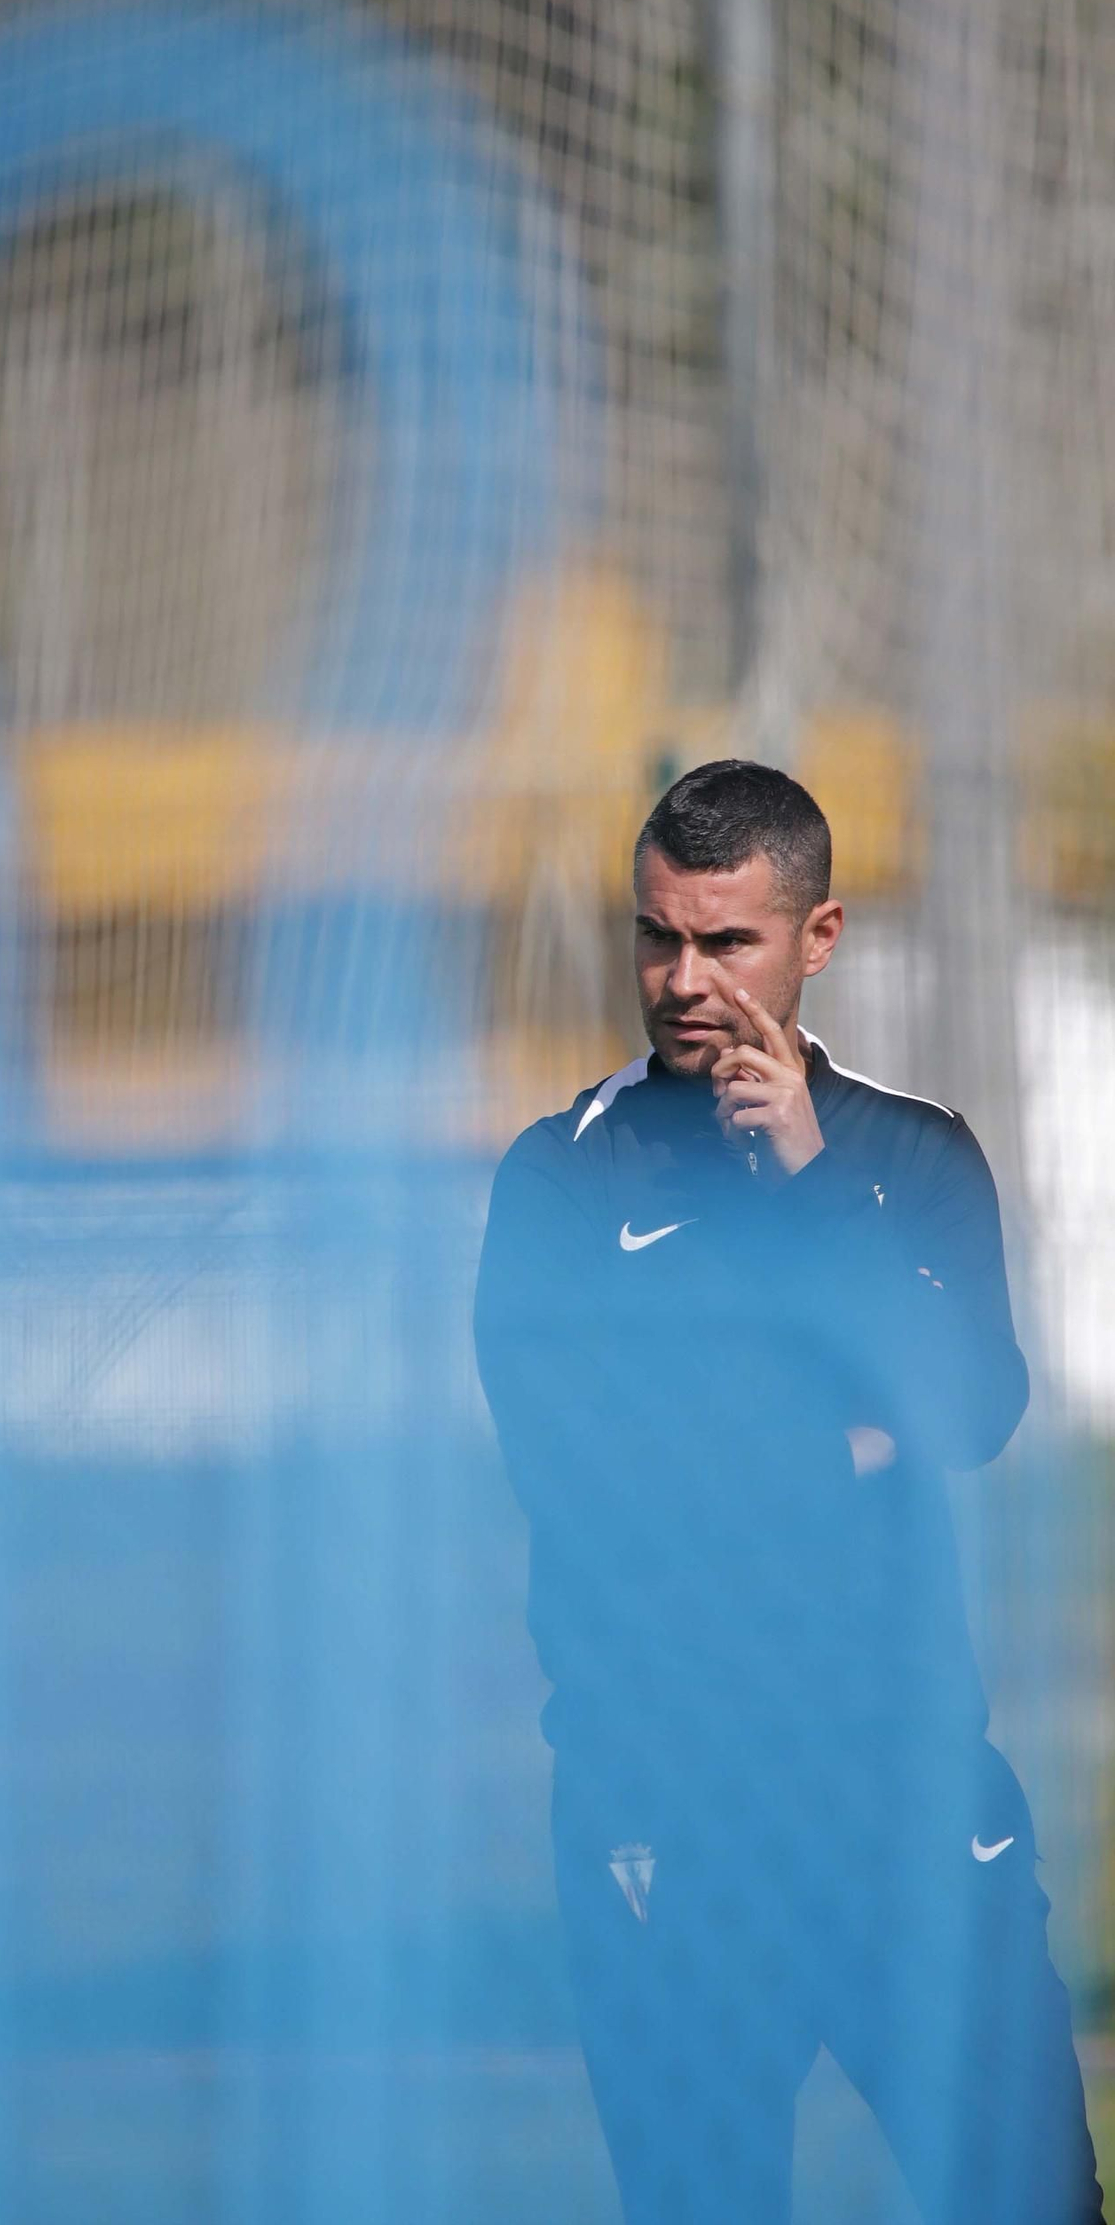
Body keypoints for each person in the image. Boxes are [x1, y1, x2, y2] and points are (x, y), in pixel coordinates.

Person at [474, 760, 1105, 2225]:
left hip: (909, 1797)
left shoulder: (910, 1157)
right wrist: (841, 1432)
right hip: (664, 1811)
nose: (684, 979)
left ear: (817, 938)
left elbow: (974, 1408)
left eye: (727, 942)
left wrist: (813, 1193)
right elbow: (592, 1481)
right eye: (658, 938)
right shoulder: (560, 1182)